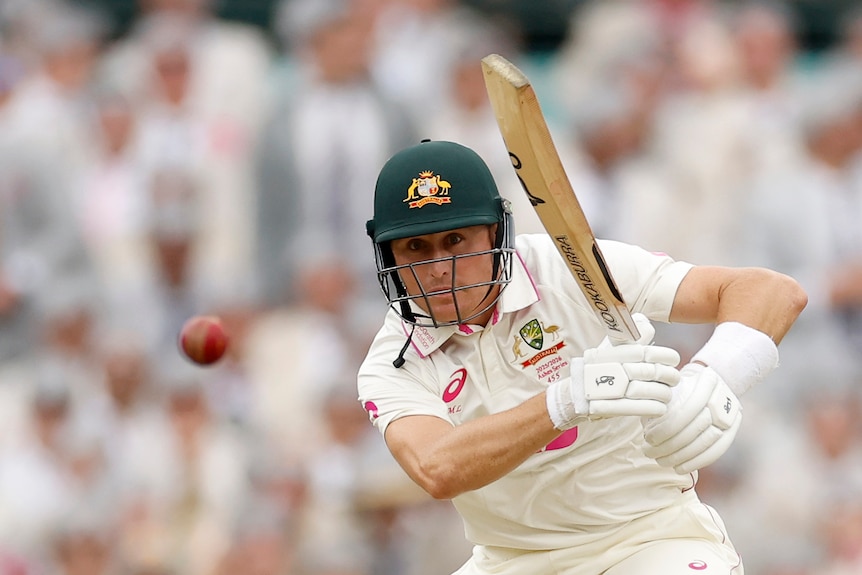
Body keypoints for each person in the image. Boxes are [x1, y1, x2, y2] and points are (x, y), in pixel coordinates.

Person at [357, 139, 806, 574]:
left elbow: (773, 292)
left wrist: (714, 376)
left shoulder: (571, 268)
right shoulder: (392, 361)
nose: (439, 268)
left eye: (456, 240)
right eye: (415, 247)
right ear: (387, 254)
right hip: (512, 559)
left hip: (649, 537)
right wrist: (568, 398)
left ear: (495, 232)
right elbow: (437, 468)